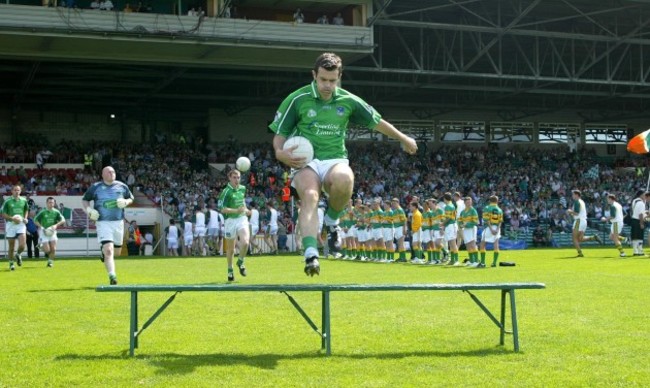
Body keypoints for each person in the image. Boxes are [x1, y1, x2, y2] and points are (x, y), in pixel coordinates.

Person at [270, 52, 417, 276]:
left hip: (334, 158)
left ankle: (331, 221)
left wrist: (403, 138)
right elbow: (279, 135)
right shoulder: (297, 99)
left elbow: (377, 122)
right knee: (310, 196)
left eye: (332, 80)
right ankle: (311, 253)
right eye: (323, 80)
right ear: (314, 75)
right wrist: (280, 154)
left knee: (345, 178)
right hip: (304, 161)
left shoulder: (348, 100)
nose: (327, 85)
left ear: (339, 76)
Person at [82, 166, 134, 285]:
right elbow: (85, 200)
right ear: (103, 174)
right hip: (103, 222)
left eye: (113, 171)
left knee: (117, 253)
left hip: (118, 223)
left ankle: (103, 252)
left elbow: (131, 198)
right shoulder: (95, 187)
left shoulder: (122, 186)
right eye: (109, 172)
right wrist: (89, 210)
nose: (112, 173)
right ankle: (112, 276)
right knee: (109, 251)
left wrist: (126, 202)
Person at [217, 169, 251, 282]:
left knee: (246, 242)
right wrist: (236, 210)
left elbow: (242, 202)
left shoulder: (242, 188)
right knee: (230, 250)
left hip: (241, 218)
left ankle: (240, 261)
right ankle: (230, 269)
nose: (237, 180)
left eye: (238, 177)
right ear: (230, 178)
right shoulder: (226, 192)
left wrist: (246, 210)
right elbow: (222, 209)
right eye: (234, 177)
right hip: (230, 220)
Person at [1, 185, 29, 271]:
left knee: (22, 245)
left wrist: (25, 218)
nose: (17, 192)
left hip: (21, 225)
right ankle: (11, 263)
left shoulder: (24, 200)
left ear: (20, 191)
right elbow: (2, 213)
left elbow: (26, 210)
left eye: (18, 190)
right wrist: (12, 218)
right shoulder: (7, 201)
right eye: (15, 190)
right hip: (11, 225)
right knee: (11, 246)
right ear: (12, 191)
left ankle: (18, 254)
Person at [567, 189, 602, 257]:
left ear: (577, 195)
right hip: (583, 221)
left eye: (573, 194)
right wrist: (572, 213)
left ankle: (580, 253)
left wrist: (570, 211)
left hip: (578, 221)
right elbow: (579, 212)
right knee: (580, 239)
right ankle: (594, 237)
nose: (572, 195)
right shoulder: (582, 201)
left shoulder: (577, 202)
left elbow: (576, 213)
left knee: (574, 239)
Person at [34, 197, 66, 267]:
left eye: (52, 202)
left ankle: (50, 262)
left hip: (52, 232)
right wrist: (41, 227)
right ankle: (40, 246)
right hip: (44, 232)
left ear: (54, 203)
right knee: (47, 250)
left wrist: (56, 225)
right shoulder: (43, 212)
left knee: (53, 249)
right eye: (49, 202)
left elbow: (63, 220)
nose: (51, 204)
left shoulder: (56, 212)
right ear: (46, 203)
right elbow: (35, 220)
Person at [479, 195, 503, 267]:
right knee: (496, 245)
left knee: (482, 245)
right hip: (497, 228)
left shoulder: (487, 208)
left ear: (490, 201)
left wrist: (491, 229)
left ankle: (483, 263)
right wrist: (497, 229)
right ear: (497, 201)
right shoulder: (499, 209)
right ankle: (494, 263)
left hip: (489, 228)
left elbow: (486, 220)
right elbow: (500, 221)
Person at [459, 196, 479, 267]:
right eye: (467, 202)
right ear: (464, 203)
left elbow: (476, 221)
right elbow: (460, 221)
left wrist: (467, 224)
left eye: (470, 202)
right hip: (465, 230)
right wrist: (461, 225)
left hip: (471, 228)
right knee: (467, 245)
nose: (469, 203)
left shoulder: (473, 210)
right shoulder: (463, 212)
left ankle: (476, 261)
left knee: (472, 244)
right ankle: (471, 260)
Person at [442, 192, 459, 265]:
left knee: (452, 243)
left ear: (444, 198)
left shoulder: (448, 206)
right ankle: (452, 260)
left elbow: (448, 218)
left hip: (451, 225)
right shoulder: (451, 205)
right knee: (451, 243)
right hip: (452, 225)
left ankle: (456, 260)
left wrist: (442, 223)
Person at [629, 190, 648, 256]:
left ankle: (635, 251)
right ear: (641, 195)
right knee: (640, 236)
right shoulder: (641, 203)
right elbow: (640, 214)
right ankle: (640, 251)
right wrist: (641, 223)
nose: (645, 196)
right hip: (638, 220)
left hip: (634, 220)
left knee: (634, 236)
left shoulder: (634, 201)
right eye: (644, 194)